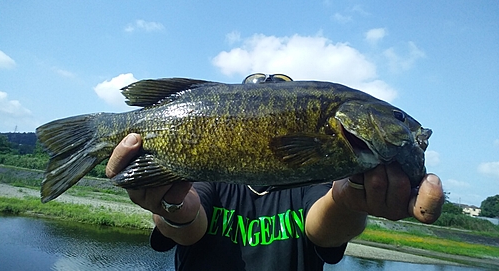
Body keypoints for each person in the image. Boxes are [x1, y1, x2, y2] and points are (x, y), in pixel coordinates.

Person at [105, 75, 445, 271]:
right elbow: (190, 221)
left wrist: (349, 200)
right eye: (398, 118)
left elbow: (323, 228)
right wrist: (171, 207)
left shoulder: (321, 176)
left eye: (397, 117)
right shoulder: (211, 170)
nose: (404, 124)